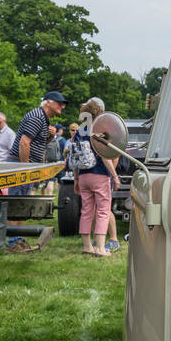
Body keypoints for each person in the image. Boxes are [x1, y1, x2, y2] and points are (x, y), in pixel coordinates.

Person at [70, 98, 120, 257]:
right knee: (103, 211)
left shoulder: (79, 131)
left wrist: (76, 179)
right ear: (100, 111)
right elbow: (105, 157)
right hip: (99, 175)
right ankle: (100, 248)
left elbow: (75, 157)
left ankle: (87, 247)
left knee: (86, 211)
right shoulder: (99, 130)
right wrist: (115, 176)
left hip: (83, 176)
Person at [9, 91, 67, 193]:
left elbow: (39, 145)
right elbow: (24, 143)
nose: (62, 106)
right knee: (18, 203)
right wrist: (26, 169)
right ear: (48, 102)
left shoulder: (43, 118)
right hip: (20, 164)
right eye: (59, 103)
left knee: (23, 202)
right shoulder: (37, 117)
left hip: (24, 164)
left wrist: (51, 136)